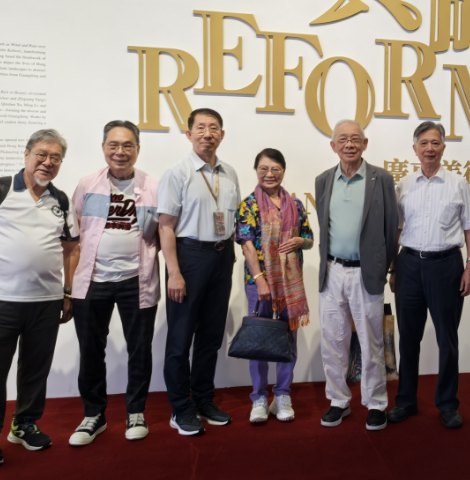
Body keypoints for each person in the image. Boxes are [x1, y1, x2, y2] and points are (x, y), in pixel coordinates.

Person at [0, 129, 79, 468]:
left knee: (35, 369)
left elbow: (72, 249)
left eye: (56, 158)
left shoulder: (61, 200)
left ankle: (24, 424)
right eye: (42, 154)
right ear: (26, 154)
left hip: (46, 301)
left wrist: (67, 291)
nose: (48, 162)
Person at [67, 120, 160, 445]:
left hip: (138, 280)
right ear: (104, 147)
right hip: (92, 281)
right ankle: (94, 414)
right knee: (91, 349)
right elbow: (73, 236)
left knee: (140, 349)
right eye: (114, 145)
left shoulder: (154, 186)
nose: (120, 151)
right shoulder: (87, 184)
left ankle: (136, 411)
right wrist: (67, 286)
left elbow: (164, 232)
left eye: (127, 145)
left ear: (137, 149)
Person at [387, 121, 470, 429]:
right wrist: (393, 268)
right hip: (409, 265)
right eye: (424, 143)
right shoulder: (403, 185)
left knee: (447, 339)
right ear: (415, 149)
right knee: (408, 338)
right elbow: (397, 230)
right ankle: (405, 401)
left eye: (435, 143)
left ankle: (448, 404)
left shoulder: (458, 184)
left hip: (446, 267)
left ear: (443, 148)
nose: (430, 148)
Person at [158, 108, 241, 436]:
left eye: (214, 128)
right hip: (189, 256)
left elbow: (231, 220)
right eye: (201, 128)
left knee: (210, 336)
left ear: (222, 134)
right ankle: (180, 408)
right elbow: (165, 226)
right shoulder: (177, 173)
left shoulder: (230, 173)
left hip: (222, 257)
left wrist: (228, 256)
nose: (208, 134)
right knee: (180, 339)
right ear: (189, 133)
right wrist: (174, 273)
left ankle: (204, 400)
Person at [314, 119, 398, 431]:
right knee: (333, 340)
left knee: (371, 340)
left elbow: (391, 228)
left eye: (355, 139)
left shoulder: (381, 178)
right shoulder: (323, 180)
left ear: (365, 144)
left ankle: (375, 403)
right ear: (333, 145)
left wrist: (386, 266)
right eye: (342, 139)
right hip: (332, 271)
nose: (349, 144)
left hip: (367, 273)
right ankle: (338, 400)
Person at [235, 148, 313, 423]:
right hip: (259, 283)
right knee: (259, 340)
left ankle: (282, 395)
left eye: (275, 169)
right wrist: (260, 279)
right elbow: (246, 245)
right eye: (264, 169)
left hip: (290, 284)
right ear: (256, 171)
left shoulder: (296, 205)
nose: (270, 174)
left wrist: (302, 241)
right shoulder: (249, 205)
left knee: (287, 340)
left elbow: (309, 237)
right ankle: (258, 398)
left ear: (283, 171)